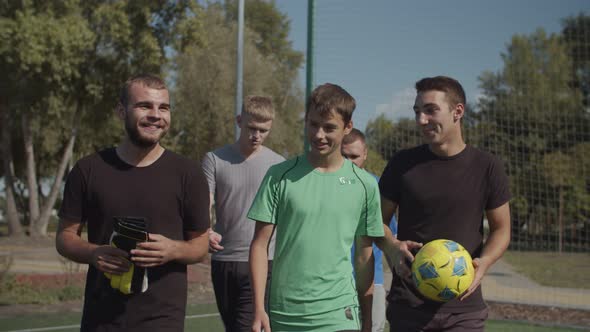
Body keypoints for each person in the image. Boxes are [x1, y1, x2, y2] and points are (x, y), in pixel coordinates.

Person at [56, 74, 210, 331]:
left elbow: (201, 246)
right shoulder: (88, 170)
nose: (155, 115)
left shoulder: (188, 174)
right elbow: (64, 238)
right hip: (101, 319)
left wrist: (172, 249)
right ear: (120, 110)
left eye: (163, 108)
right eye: (144, 106)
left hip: (162, 319)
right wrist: (94, 253)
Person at [376, 76, 511, 331]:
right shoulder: (402, 164)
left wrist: (486, 261)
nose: (421, 120)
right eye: (417, 111)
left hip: (464, 309)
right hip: (409, 306)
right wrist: (392, 247)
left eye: (430, 110)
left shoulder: (487, 167)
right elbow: (376, 220)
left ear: (457, 111)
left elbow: (502, 228)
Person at [248, 83, 385, 332]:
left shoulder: (365, 185)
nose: (319, 134)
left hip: (339, 312)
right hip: (285, 313)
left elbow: (364, 256)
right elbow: (259, 244)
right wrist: (258, 308)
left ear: (348, 128)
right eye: (313, 124)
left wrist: (366, 319)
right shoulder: (279, 175)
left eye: (329, 127)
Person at [202, 95, 284, 331]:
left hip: (264, 262)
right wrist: (205, 231)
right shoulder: (214, 160)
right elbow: (205, 203)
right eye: (251, 128)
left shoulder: (278, 165)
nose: (256, 135)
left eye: (263, 130)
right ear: (239, 120)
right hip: (223, 261)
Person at [341, 128, 397, 332]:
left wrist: (399, 281)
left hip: (373, 282)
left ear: (365, 154)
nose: (349, 162)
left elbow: (390, 236)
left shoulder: (375, 187)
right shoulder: (325, 185)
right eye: (343, 156)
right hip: (333, 283)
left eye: (354, 156)